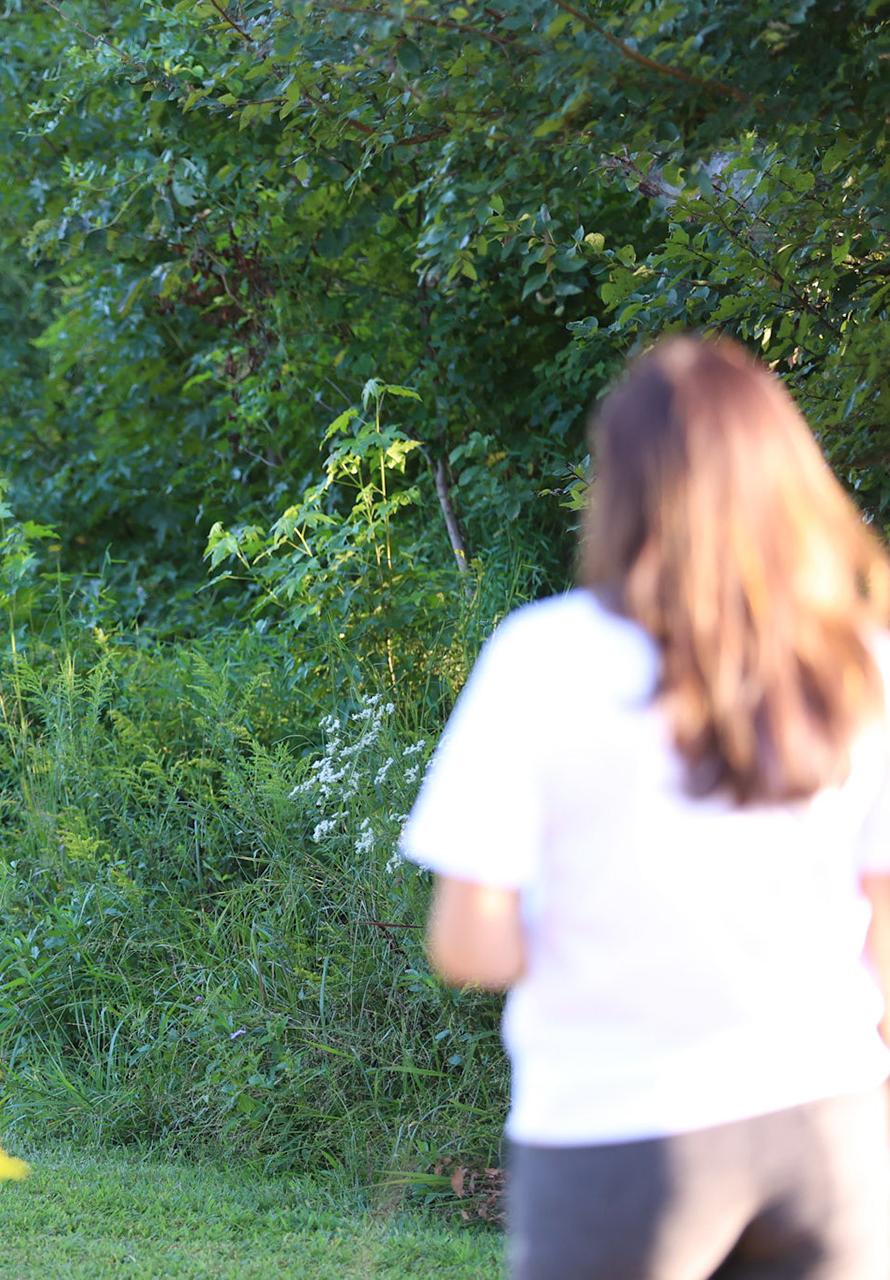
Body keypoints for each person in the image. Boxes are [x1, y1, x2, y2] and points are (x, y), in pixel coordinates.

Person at [402, 336, 890, 1279]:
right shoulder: (861, 660)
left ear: (621, 488)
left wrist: (585, 936)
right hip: (832, 1123)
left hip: (620, 1129)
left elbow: (467, 944)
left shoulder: (544, 657)